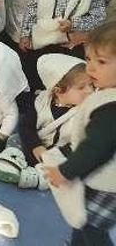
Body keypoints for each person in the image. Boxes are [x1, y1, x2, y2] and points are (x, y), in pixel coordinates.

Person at [44, 23, 116, 246]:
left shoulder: (110, 107)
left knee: (90, 226)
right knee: (82, 221)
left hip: (107, 182)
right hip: (101, 177)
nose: (90, 68)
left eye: (101, 62)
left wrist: (65, 171)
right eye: (88, 59)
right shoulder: (106, 93)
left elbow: (97, 148)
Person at [0, 54, 92, 189]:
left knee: (71, 164)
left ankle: (34, 177)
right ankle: (10, 161)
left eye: (91, 85)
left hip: (60, 152)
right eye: (81, 87)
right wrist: (36, 146)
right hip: (36, 147)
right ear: (58, 90)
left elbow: (79, 143)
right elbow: (26, 126)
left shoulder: (88, 111)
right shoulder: (40, 101)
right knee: (15, 139)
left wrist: (52, 154)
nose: (89, 90)